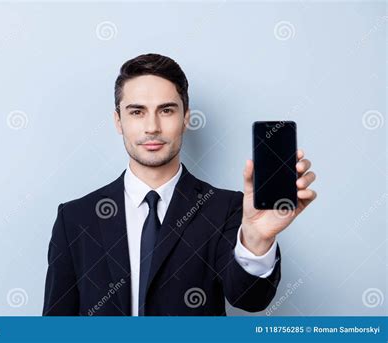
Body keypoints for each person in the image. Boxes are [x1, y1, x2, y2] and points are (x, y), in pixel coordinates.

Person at [42, 53, 317, 316]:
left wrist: (258, 239)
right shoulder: (75, 219)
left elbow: (250, 299)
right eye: (137, 112)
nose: (152, 127)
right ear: (118, 121)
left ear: (186, 118)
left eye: (166, 110)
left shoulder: (226, 209)